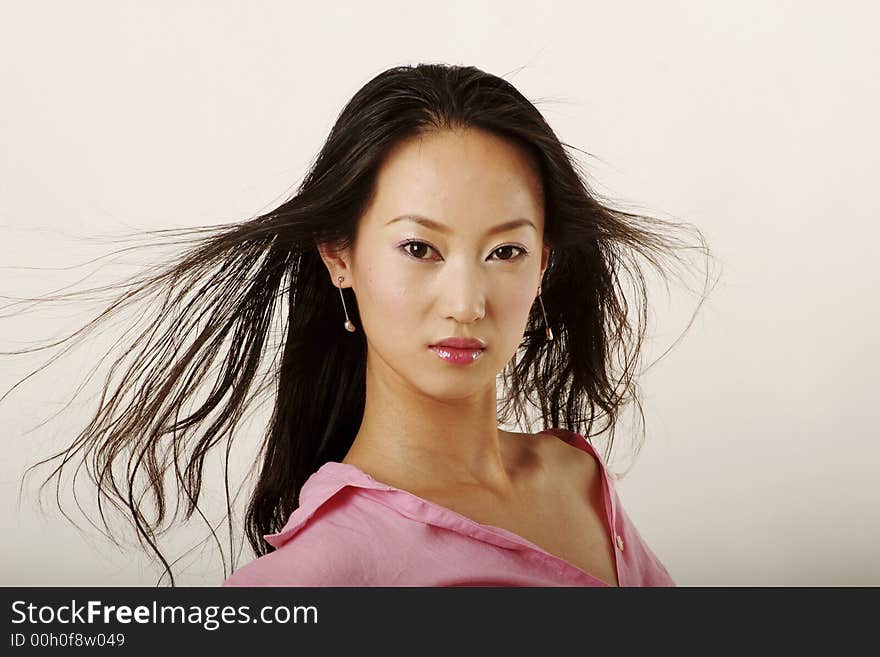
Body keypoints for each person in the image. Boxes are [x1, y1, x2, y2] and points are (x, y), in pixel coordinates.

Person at [10, 63, 711, 586]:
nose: (466, 300)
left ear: (543, 263)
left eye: (505, 251)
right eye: (418, 248)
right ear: (339, 256)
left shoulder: (576, 476)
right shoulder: (327, 569)